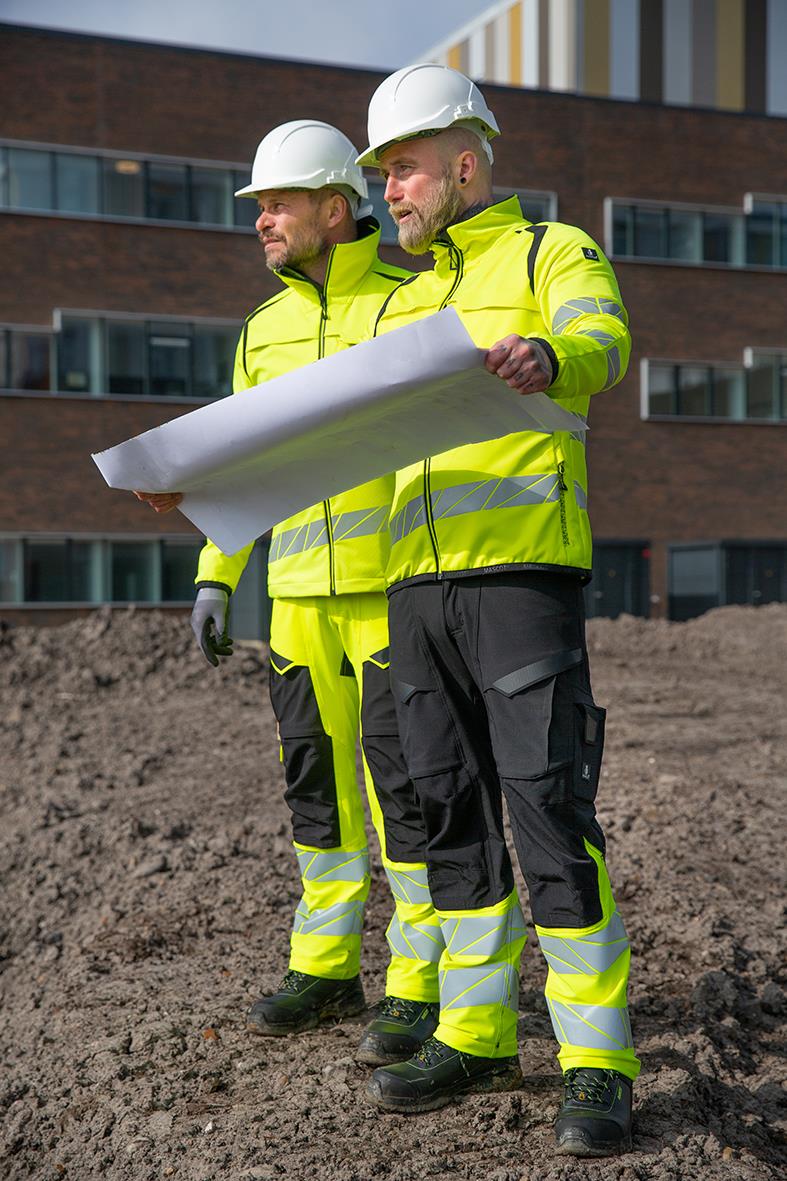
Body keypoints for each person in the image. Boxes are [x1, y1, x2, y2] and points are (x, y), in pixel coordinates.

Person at [352, 65, 640, 1156]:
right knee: (447, 820)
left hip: (519, 577)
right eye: (380, 177)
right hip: (414, 591)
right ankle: (474, 1031)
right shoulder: (400, 296)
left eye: (405, 170)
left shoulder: (550, 254)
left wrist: (549, 353)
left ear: (464, 161)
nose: (391, 194)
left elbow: (603, 342)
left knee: (548, 812)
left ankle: (597, 1057)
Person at [136, 119, 443, 1066]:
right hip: (297, 601)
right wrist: (216, 576)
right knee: (317, 791)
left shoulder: (412, 298)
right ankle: (323, 966)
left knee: (408, 796)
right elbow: (237, 464)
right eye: (257, 207)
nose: (260, 221)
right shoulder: (261, 329)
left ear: (332, 206)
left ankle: (418, 983)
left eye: (275, 203)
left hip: (393, 593)